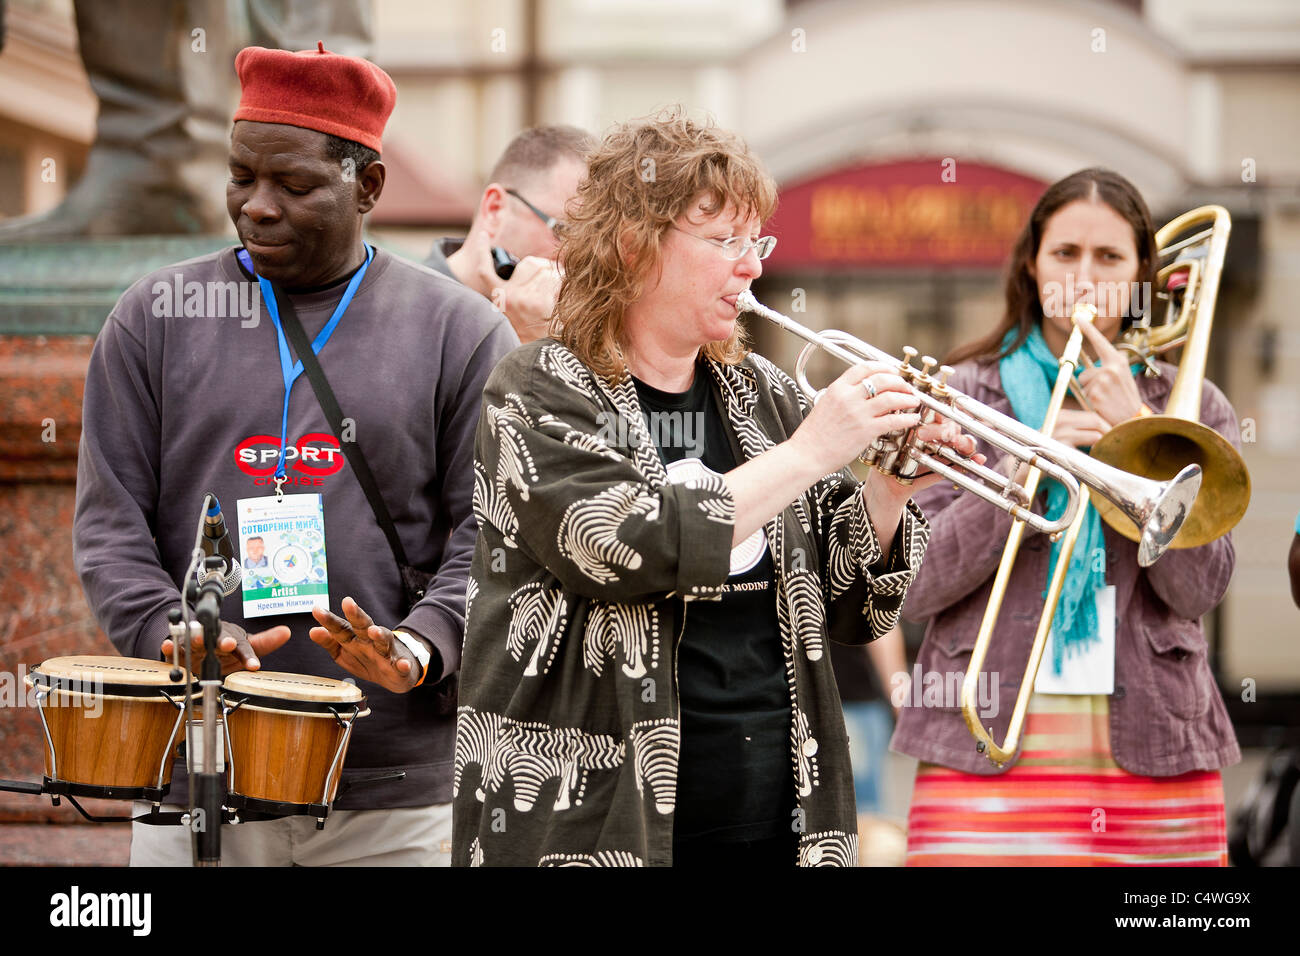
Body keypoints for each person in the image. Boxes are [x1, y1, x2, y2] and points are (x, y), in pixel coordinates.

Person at [451, 110, 980, 867]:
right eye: (724, 241)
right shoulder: (538, 386)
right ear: (633, 244)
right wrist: (812, 450)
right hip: (590, 821)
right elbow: (621, 546)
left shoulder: (760, 393)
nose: (752, 266)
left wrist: (890, 489)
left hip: (777, 815)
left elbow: (851, 606)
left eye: (755, 241)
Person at [72, 43, 516, 865]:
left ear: (368, 187)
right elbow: (110, 525)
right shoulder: (155, 317)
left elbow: (491, 535)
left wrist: (420, 648)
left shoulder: (460, 331)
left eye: (296, 185)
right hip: (196, 772)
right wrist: (172, 633)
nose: (258, 206)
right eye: (242, 176)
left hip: (392, 791)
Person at [891, 167, 1242, 866]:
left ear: (1144, 271)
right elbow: (914, 583)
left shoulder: (1190, 407)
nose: (1085, 277)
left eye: (1110, 257)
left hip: (1154, 744)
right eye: (1065, 254)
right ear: (1032, 262)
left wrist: (1140, 436)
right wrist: (1025, 471)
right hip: (981, 741)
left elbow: (1199, 590)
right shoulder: (962, 393)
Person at [424, 125, 591, 343]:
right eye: (563, 230)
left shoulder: (575, 325)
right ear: (495, 209)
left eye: (590, 242)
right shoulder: (409, 309)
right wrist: (529, 341)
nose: (576, 257)